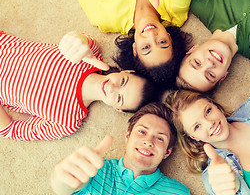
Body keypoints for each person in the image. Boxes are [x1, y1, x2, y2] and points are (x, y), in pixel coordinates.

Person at [0, 31, 159, 140]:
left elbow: (10, 130)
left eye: (119, 98)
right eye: (123, 82)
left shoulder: (67, 122)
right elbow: (75, 39)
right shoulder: (91, 53)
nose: (111, 87)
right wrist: (77, 41)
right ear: (126, 71)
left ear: (118, 109)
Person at [72, 0, 192, 84]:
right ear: (169, 37)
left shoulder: (104, 17)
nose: (151, 35)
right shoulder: (176, 11)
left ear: (135, 49)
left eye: (146, 47)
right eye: (162, 42)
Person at [50, 102, 190, 195]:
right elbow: (63, 188)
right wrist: (60, 177)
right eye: (142, 132)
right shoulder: (93, 170)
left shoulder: (177, 192)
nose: (148, 142)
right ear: (127, 137)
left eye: (160, 138)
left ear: (167, 152)